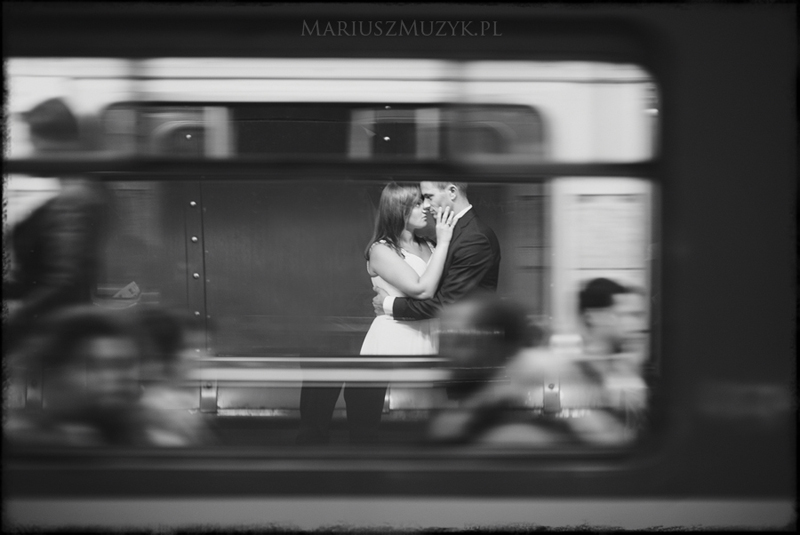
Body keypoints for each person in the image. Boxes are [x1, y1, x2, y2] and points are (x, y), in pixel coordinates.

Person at [297, 182, 457, 444]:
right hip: (390, 337)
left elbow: (447, 296)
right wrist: (444, 243)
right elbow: (422, 289)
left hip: (426, 333)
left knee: (425, 425)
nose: (426, 207)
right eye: (418, 204)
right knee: (374, 421)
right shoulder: (381, 249)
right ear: (399, 209)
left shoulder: (429, 243)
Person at [3, 97, 110, 355]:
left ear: (54, 144)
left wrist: (17, 318)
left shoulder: (75, 199)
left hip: (55, 334)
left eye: (34, 142)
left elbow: (65, 281)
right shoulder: (75, 196)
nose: (32, 152)